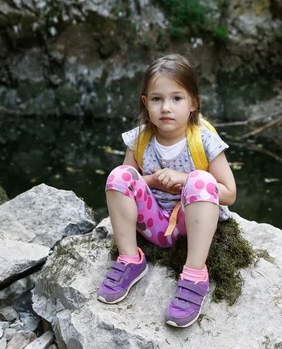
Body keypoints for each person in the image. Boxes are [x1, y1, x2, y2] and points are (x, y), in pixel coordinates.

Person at [97, 53, 237, 328]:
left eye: (176, 98)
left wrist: (185, 179)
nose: (166, 108)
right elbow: (131, 181)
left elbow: (229, 193)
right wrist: (153, 182)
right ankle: (129, 259)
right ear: (145, 103)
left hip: (191, 223)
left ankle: (194, 275)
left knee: (201, 180)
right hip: (152, 224)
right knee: (118, 175)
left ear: (194, 102)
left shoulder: (205, 140)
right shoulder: (139, 139)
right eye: (157, 99)